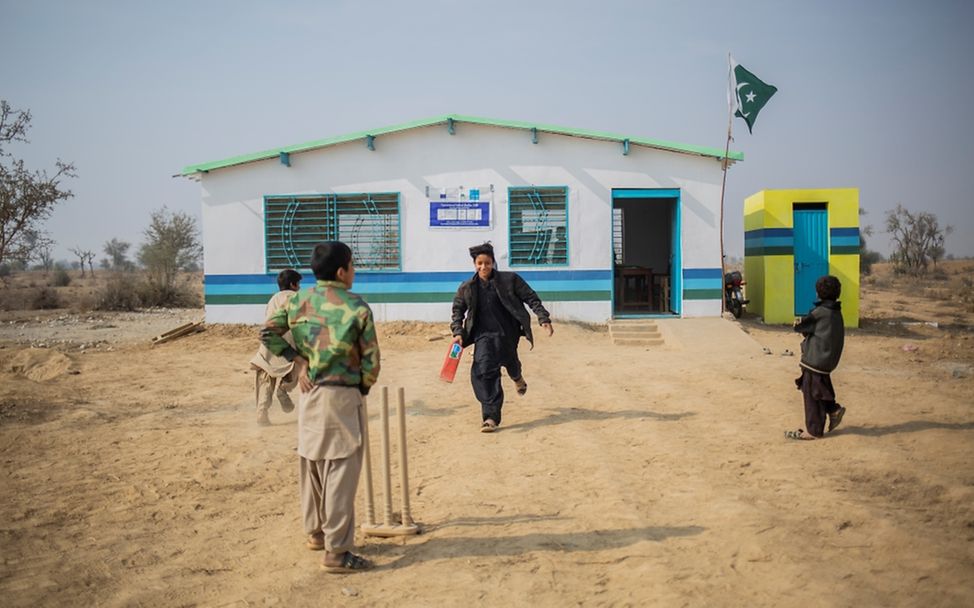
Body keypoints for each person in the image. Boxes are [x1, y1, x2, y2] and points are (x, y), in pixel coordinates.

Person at [261, 241, 379, 573]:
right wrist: (362, 386)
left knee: (312, 460)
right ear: (341, 272)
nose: (354, 271)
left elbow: (267, 333)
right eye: (353, 266)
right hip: (341, 393)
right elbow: (371, 360)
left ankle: (315, 534)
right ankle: (337, 553)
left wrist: (298, 361)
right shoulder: (356, 307)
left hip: (309, 392)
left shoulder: (297, 300)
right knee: (341, 467)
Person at [450, 242, 553, 433]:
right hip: (482, 336)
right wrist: (457, 332)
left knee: (510, 361)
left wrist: (543, 317)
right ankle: (490, 417)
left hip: (507, 334)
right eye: (479, 263)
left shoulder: (510, 280)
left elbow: (531, 297)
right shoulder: (468, 287)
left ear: (493, 263)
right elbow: (457, 310)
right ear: (475, 264)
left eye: (487, 263)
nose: (483, 267)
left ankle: (517, 377)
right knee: (484, 371)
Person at [786, 275, 847, 440]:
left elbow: (801, 327)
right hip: (828, 360)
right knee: (819, 388)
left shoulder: (819, 312)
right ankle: (833, 410)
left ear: (818, 293)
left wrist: (797, 324)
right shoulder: (835, 311)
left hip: (815, 360)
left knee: (811, 394)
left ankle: (813, 431)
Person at [249, 269, 302, 426]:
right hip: (290, 343)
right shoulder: (297, 298)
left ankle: (261, 413)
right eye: (298, 284)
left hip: (269, 342)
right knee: (297, 366)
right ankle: (284, 388)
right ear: (293, 284)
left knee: (265, 376)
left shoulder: (272, 299)